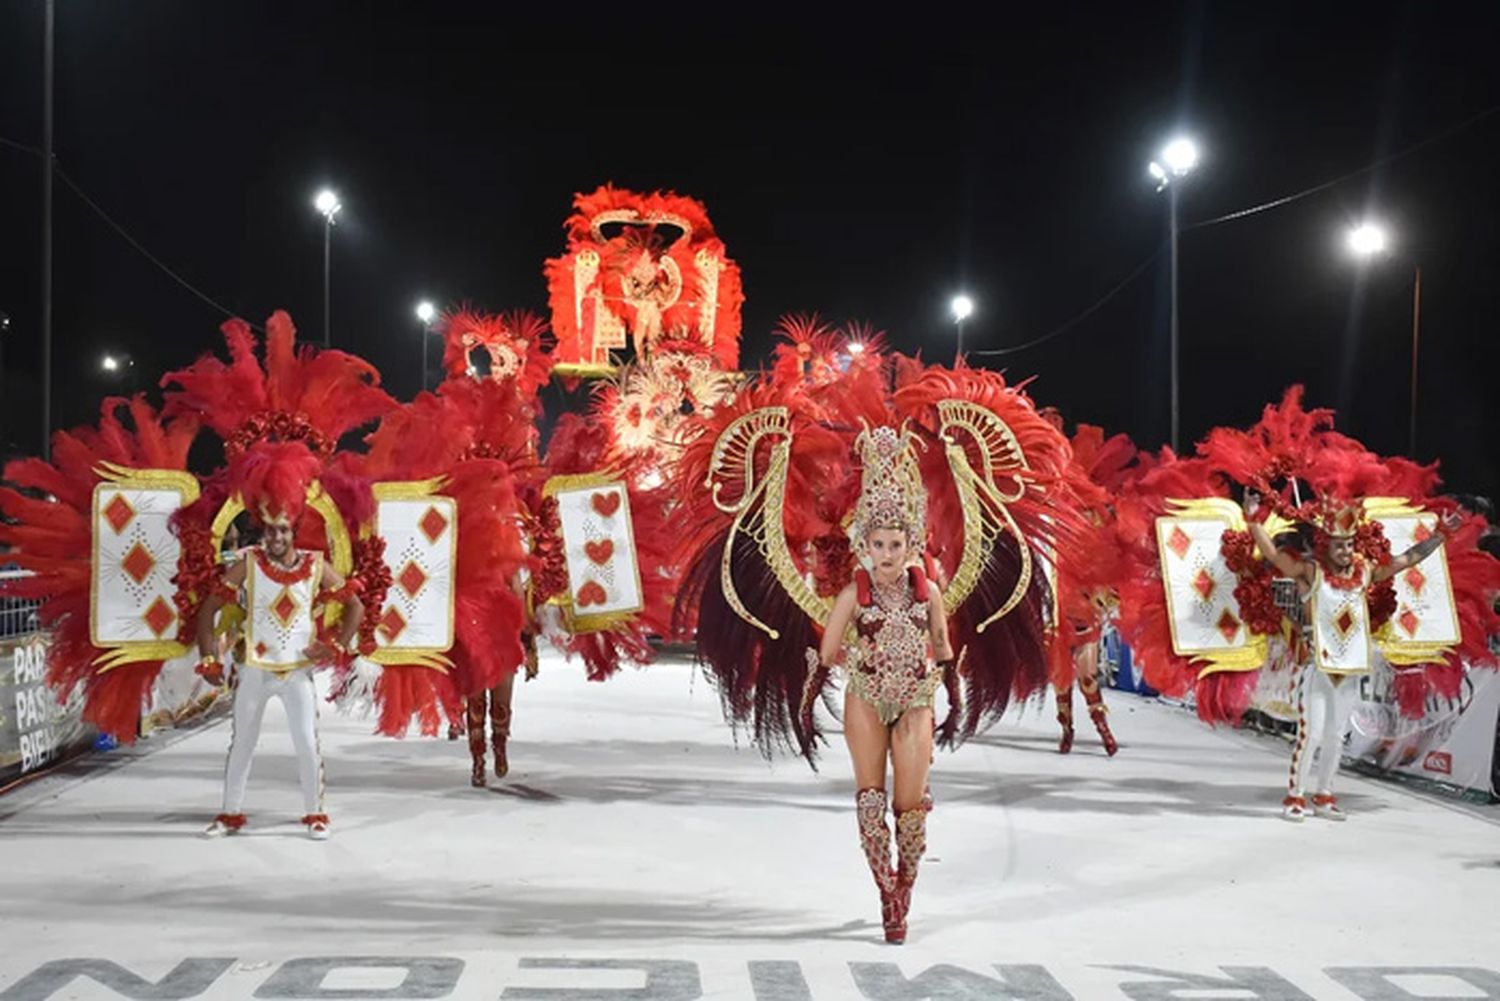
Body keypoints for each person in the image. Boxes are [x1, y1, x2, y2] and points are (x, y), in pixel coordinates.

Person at [810, 427, 954, 945]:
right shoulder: (855, 592)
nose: (888, 554)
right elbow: (826, 655)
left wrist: (954, 699)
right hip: (866, 696)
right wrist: (807, 705)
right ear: (864, 544)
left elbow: (942, 645)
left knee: (909, 808)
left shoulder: (929, 591)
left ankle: (907, 882)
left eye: (896, 544)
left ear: (912, 544)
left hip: (916, 701)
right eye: (878, 544)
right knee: (871, 800)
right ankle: (884, 892)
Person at [1243, 489, 1458, 822]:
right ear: (1325, 545)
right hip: (1319, 668)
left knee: (1335, 735)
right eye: (1339, 544)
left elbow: (1407, 560)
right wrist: (1253, 518)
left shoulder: (1365, 571)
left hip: (1351, 670)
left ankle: (1324, 793)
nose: (1346, 550)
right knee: (1310, 735)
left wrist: (1439, 537)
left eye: (1349, 543)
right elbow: (1273, 555)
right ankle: (1295, 796)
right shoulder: (1311, 573)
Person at [195, 499, 364, 840]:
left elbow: (355, 605)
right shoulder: (249, 564)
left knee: (306, 742)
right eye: (270, 529)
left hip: (297, 671)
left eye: (283, 529)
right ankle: (229, 814)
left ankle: (316, 814)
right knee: (242, 741)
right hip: (255, 668)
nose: (276, 537)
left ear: (294, 532)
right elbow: (208, 608)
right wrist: (209, 656)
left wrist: (335, 646)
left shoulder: (316, 565)